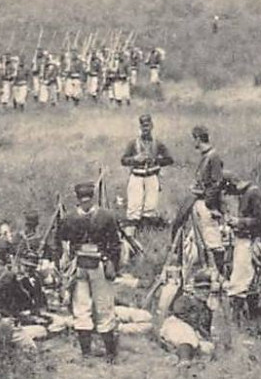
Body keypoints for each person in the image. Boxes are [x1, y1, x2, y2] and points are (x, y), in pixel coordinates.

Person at [56, 180, 124, 359]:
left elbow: (61, 242)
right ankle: (97, 352)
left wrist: (111, 265)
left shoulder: (71, 218)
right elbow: (115, 245)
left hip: (90, 264)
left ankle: (98, 352)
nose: (85, 202)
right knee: (94, 307)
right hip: (87, 265)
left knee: (91, 307)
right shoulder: (104, 216)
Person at [221, 173, 261, 316]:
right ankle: (253, 316)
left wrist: (240, 222)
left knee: (239, 280)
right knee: (248, 280)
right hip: (242, 240)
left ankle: (236, 319)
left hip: (249, 241)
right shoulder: (244, 195)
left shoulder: (253, 194)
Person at [120, 114, 174, 228]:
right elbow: (123, 160)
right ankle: (133, 229)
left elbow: (169, 159)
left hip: (152, 177)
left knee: (150, 205)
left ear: (152, 126)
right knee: (134, 206)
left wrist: (156, 160)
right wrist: (135, 159)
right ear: (140, 127)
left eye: (147, 126)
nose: (145, 129)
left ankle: (147, 228)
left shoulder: (157, 143)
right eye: (143, 126)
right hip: (136, 177)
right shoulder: (133, 143)